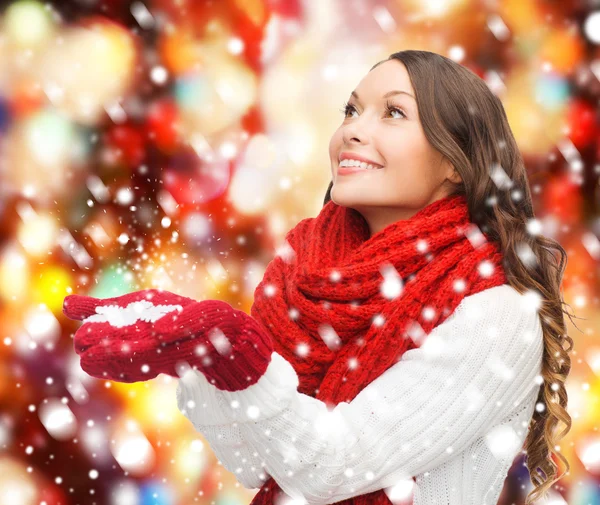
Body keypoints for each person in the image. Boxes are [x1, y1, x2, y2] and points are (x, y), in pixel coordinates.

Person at [62, 50, 575, 505]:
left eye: (393, 112)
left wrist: (236, 355)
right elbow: (255, 464)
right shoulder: (303, 275)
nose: (353, 129)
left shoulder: (495, 313)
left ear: (455, 163)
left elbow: (332, 468)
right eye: (351, 110)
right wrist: (199, 357)